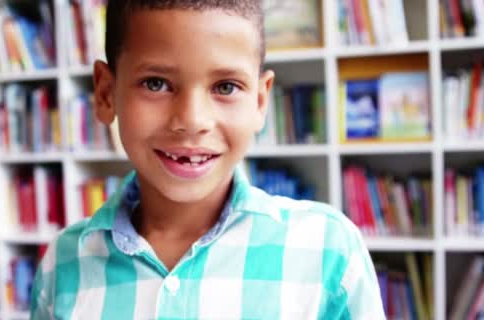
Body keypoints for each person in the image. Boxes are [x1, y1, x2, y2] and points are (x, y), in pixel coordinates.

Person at [30, 1, 385, 319]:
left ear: (260, 102)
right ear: (106, 94)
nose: (193, 120)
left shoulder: (327, 251)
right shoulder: (63, 265)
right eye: (156, 83)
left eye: (226, 87)